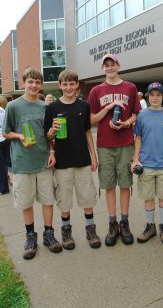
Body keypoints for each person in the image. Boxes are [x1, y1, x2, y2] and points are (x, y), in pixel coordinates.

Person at [2, 68, 62, 260]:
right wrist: (19, 135)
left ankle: (48, 234)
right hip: (22, 163)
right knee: (26, 202)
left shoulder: (46, 107)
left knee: (47, 200)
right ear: (24, 83)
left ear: (41, 84)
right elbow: (5, 132)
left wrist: (52, 151)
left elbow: (49, 134)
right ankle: (30, 237)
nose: (34, 85)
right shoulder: (13, 107)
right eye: (30, 82)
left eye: (37, 82)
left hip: (43, 160)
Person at [44, 70, 100, 249]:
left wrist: (94, 155)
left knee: (87, 197)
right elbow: (47, 135)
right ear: (60, 86)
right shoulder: (52, 108)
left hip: (82, 159)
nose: (68, 87)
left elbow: (87, 132)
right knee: (65, 199)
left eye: (72, 84)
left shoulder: (84, 106)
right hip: (62, 162)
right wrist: (51, 135)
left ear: (77, 85)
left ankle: (90, 229)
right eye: (65, 84)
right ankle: (66, 231)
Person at [89, 54, 141, 246]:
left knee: (125, 184)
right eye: (106, 65)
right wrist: (109, 107)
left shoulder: (130, 87)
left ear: (118, 65)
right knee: (109, 185)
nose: (110, 68)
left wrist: (125, 123)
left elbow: (136, 113)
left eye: (113, 64)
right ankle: (113, 223)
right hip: (105, 145)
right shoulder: (96, 90)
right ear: (103, 68)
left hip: (125, 143)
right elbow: (92, 120)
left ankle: (124, 223)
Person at [131, 82, 163, 244]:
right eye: (152, 95)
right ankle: (150, 226)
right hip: (146, 164)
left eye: (158, 95)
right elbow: (138, 138)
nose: (155, 98)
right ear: (147, 96)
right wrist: (136, 159)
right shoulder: (142, 115)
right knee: (148, 197)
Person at [0, 96, 10, 195]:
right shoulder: (4, 111)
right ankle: (5, 185)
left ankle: (3, 188)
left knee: (2, 164)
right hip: (6, 138)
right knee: (5, 162)